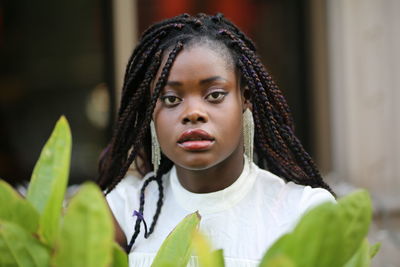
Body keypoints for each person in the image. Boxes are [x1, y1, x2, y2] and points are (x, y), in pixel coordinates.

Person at [98, 13, 335, 267]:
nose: (192, 113)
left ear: (245, 98)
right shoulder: (122, 211)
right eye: (170, 99)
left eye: (214, 95)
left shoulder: (302, 211)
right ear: (151, 111)